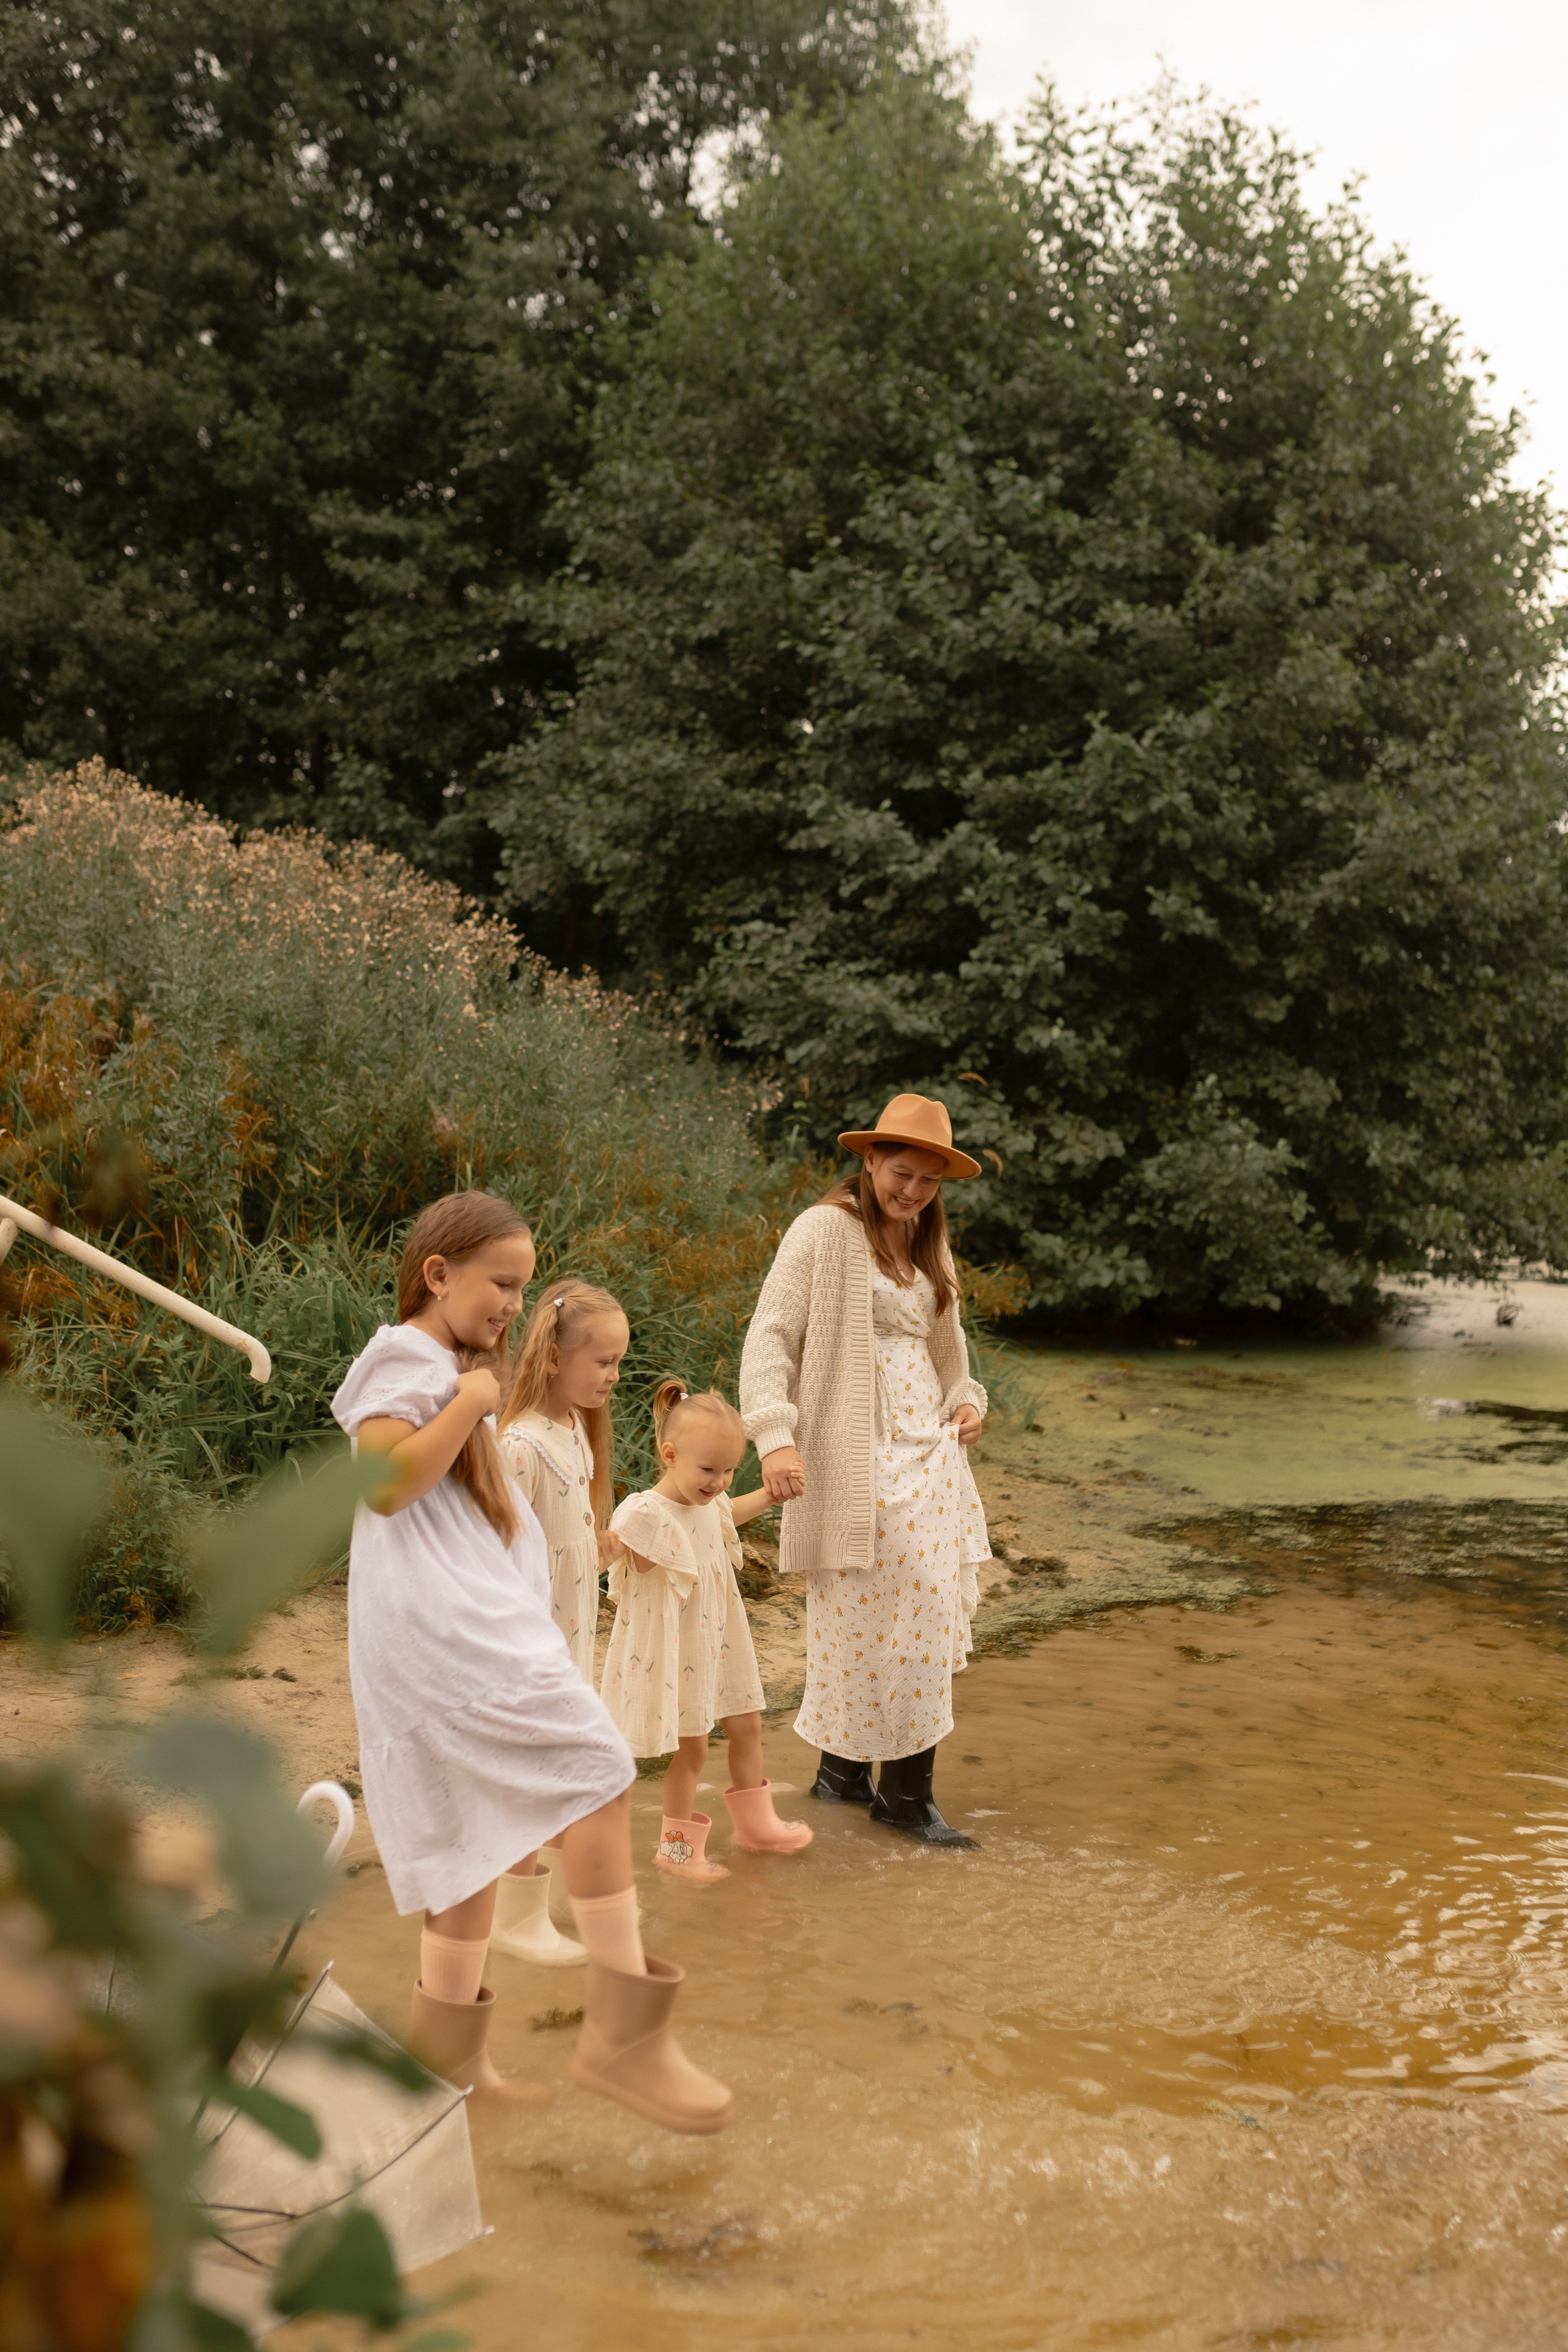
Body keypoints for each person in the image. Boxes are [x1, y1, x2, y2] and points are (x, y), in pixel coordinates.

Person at [331, 1191, 731, 2134]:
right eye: (503, 1283)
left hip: (453, 1631)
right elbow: (383, 1484)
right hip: (451, 1637)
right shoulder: (406, 1357)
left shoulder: (447, 1366)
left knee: (468, 1846)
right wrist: (472, 1402)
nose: (516, 1303)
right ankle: (625, 2037)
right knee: (597, 1769)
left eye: (523, 1286)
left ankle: (447, 2072)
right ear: (439, 1274)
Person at [738, 1093, 991, 1849]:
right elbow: (770, 1335)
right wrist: (774, 1437)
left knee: (902, 1614)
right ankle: (905, 1800)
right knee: (882, 1615)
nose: (912, 1191)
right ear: (870, 1159)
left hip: (927, 1453)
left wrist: (966, 1400)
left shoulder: (927, 1241)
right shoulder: (823, 1230)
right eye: (901, 1173)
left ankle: (842, 1776)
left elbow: (948, 1351)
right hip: (853, 1457)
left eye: (929, 1181)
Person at [600, 1379, 813, 1880]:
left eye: (728, 1470)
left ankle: (757, 1827)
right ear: (670, 1455)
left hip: (720, 1637)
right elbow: (634, 1562)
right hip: (677, 1645)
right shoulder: (645, 1512)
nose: (719, 1482)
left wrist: (770, 1493)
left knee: (748, 1723)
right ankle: (676, 1852)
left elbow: (728, 1512)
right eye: (708, 1470)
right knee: (692, 1749)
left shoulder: (710, 1502)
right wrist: (613, 1548)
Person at [489, 1278, 630, 1966]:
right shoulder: (519, 1446)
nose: (613, 1376)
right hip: (530, 1642)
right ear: (553, 1357)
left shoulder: (573, 1429)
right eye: (602, 1361)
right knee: (532, 1768)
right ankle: (514, 1916)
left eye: (619, 1363)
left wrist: (596, 1545)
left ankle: (548, 1899)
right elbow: (499, 1551)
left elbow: (560, 1535)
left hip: (569, 1633)